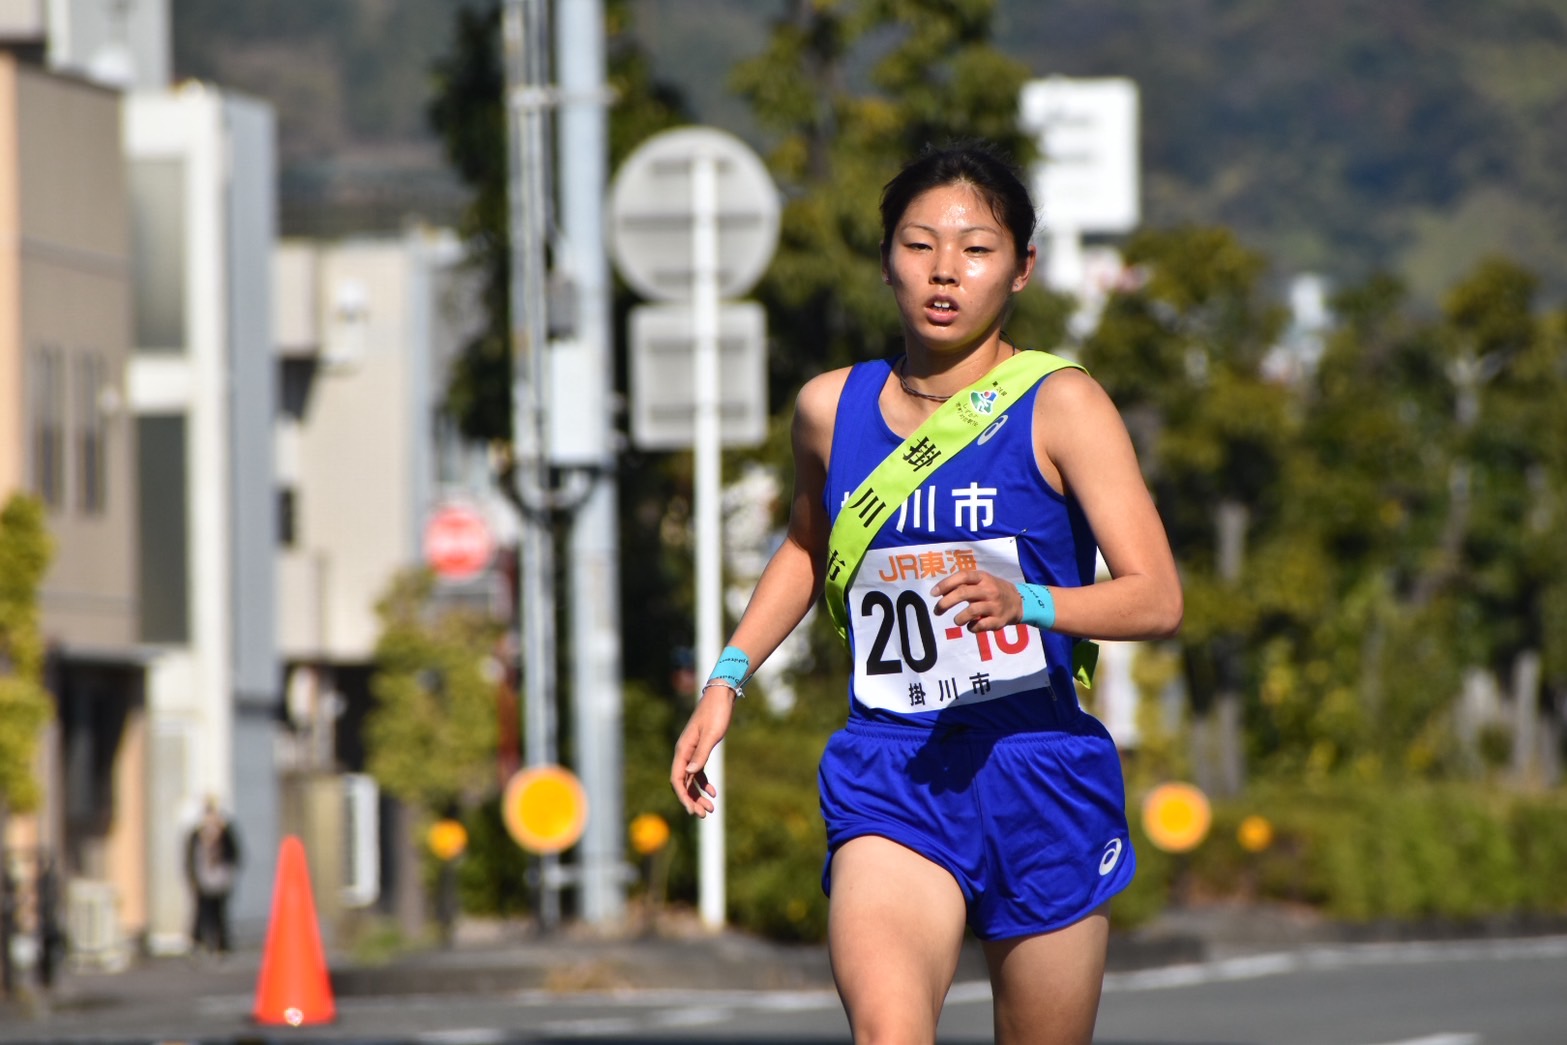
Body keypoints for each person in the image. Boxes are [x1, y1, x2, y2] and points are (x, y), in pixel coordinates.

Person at [671, 141, 1182, 1045]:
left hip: (1042, 772)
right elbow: (804, 544)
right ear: (884, 260)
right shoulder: (831, 408)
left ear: (1021, 269)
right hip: (894, 768)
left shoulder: (1061, 403)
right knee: (889, 1034)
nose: (945, 271)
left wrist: (1027, 602)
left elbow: (1155, 598)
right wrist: (727, 677)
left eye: (976, 249)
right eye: (918, 245)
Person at [185, 796, 241, 956]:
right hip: (203, 879)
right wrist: (192, 878)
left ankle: (221, 944)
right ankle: (200, 942)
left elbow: (234, 853)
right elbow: (190, 857)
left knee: (220, 913)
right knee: (202, 912)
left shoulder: (225, 832)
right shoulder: (197, 834)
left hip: (220, 878)